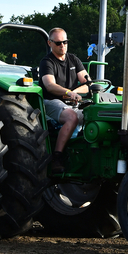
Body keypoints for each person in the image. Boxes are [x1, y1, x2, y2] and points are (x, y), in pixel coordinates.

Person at [39, 28, 90, 172]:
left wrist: (74, 92)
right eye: (58, 43)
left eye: (65, 42)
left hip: (71, 101)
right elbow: (50, 86)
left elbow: (88, 84)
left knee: (92, 114)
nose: (63, 46)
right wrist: (68, 92)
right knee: (72, 117)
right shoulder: (47, 62)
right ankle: (57, 156)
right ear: (50, 43)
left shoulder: (73, 59)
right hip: (51, 102)